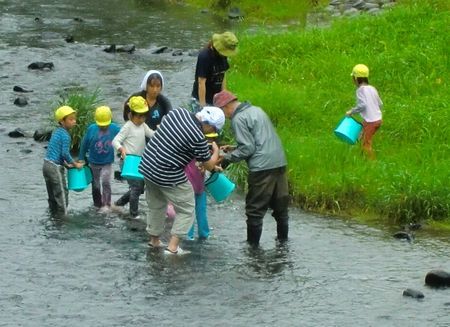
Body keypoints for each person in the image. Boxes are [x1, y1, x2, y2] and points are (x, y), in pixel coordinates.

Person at [139, 106, 225, 254]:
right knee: (187, 207)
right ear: (210, 125)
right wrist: (216, 151)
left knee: (156, 205)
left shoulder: (177, 112)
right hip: (166, 172)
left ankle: (154, 241)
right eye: (213, 129)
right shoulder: (198, 137)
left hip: (147, 165)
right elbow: (209, 165)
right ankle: (172, 248)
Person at [213, 90, 289, 246]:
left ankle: (252, 250)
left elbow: (248, 148)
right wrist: (234, 148)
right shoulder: (257, 110)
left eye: (221, 112)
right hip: (279, 162)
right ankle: (283, 244)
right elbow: (259, 140)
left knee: (254, 211)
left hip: (261, 169)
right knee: (281, 209)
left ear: (226, 106)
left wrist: (226, 158)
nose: (224, 117)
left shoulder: (238, 118)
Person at [112, 96, 155, 219]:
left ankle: (118, 204)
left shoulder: (143, 126)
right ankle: (133, 214)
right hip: (127, 162)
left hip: (138, 162)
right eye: (139, 116)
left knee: (140, 188)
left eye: (144, 116)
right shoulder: (128, 126)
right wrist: (121, 149)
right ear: (131, 115)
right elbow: (115, 141)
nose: (142, 119)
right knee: (136, 187)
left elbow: (152, 134)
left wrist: (162, 132)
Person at [78, 106, 121, 212]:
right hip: (93, 162)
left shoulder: (114, 128)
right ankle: (97, 204)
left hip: (107, 162)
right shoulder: (91, 129)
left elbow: (123, 136)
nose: (104, 127)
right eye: (101, 125)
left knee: (106, 181)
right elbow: (84, 144)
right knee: (96, 184)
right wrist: (81, 158)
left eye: (106, 125)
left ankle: (107, 204)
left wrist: (123, 150)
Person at [43, 106, 83, 216]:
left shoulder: (56, 132)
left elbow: (56, 152)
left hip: (46, 165)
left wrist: (67, 165)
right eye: (70, 119)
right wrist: (75, 164)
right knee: (62, 194)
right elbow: (64, 153)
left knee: (52, 196)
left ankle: (53, 216)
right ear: (62, 121)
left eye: (74, 119)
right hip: (55, 168)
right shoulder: (66, 135)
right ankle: (63, 219)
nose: (74, 122)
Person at [185, 131, 219, 240]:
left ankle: (191, 235)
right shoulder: (201, 151)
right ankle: (199, 234)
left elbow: (206, 166)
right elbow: (207, 164)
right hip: (194, 186)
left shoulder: (190, 148)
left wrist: (215, 167)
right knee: (195, 211)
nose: (210, 142)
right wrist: (217, 151)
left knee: (195, 211)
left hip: (195, 186)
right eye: (208, 140)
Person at [191, 31, 238, 108]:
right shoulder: (205, 56)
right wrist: (203, 106)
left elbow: (223, 75)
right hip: (201, 100)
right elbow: (201, 83)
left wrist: (223, 96)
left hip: (216, 99)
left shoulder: (223, 56)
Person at [346, 64, 383, 160]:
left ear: (356, 79)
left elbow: (363, 105)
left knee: (366, 144)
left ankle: (373, 164)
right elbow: (380, 103)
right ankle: (362, 158)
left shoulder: (360, 90)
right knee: (362, 137)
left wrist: (351, 111)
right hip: (378, 120)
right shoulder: (372, 88)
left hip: (370, 121)